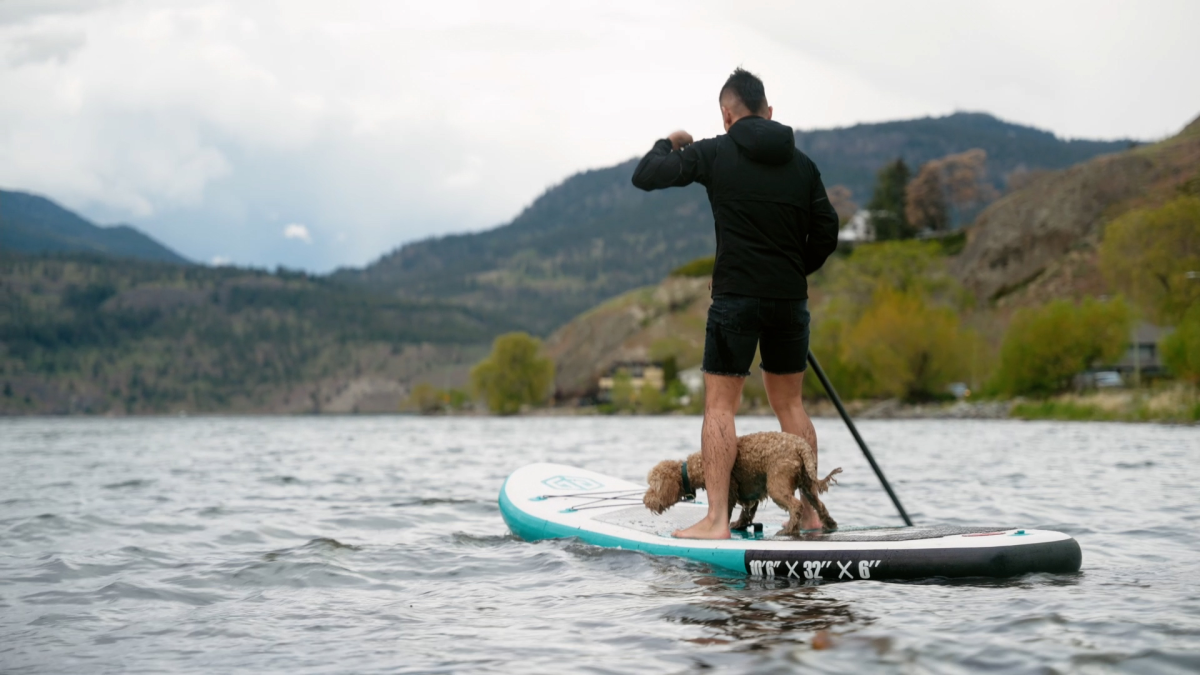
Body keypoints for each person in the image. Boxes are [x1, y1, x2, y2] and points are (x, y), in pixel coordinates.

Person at [631, 68, 839, 539]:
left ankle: (716, 519)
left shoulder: (714, 151)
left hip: (735, 301)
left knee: (720, 407)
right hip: (789, 300)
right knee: (791, 404)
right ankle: (807, 515)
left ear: (727, 115)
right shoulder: (803, 165)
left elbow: (645, 176)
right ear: (769, 112)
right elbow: (827, 231)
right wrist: (789, 271)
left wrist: (671, 143)